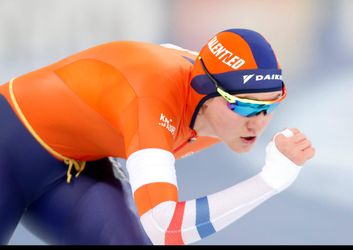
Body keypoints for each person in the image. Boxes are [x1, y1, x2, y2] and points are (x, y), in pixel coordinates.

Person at [0, 28, 315, 245]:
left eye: (271, 105)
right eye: (244, 107)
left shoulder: (224, 105)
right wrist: (270, 181)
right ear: (202, 91)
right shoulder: (153, 102)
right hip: (9, 146)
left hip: (79, 166)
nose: (258, 124)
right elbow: (166, 227)